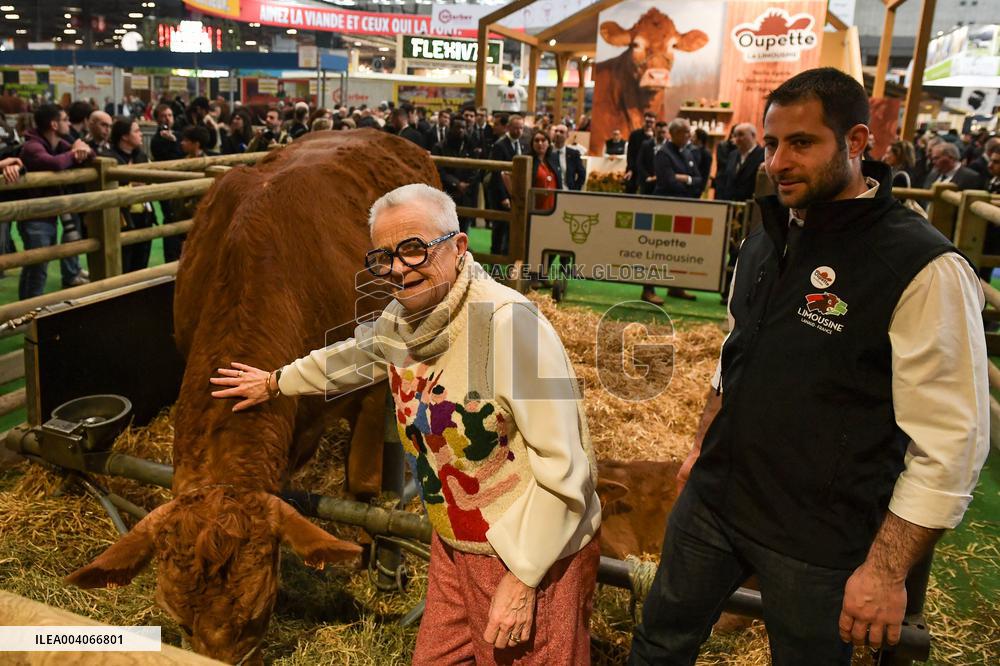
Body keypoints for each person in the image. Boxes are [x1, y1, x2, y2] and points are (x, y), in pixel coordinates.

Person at [630, 67, 988, 666]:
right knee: (658, 642)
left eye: (801, 143)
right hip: (716, 502)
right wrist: (700, 445)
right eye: (771, 144)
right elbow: (734, 354)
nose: (777, 162)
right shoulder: (766, 237)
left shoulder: (920, 266)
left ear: (854, 142)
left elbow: (952, 442)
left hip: (820, 536)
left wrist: (884, 570)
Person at [210, 183, 602, 665]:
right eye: (384, 256)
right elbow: (355, 357)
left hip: (528, 551)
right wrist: (275, 383)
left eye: (415, 249)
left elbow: (568, 471)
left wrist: (523, 578)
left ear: (459, 248)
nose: (398, 268)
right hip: (456, 540)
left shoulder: (508, 326)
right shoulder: (405, 322)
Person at [17, 103, 94, 298]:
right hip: (34, 215)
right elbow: (55, 164)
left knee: (37, 266)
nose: (69, 123)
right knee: (37, 267)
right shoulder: (32, 146)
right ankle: (30, 311)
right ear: (53, 124)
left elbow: (90, 155)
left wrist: (79, 148)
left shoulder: (58, 143)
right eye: (65, 120)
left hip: (47, 213)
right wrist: (75, 152)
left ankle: (27, 310)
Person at [651, 118, 702, 302]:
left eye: (689, 132)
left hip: (683, 209)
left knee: (680, 249)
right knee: (656, 250)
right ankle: (648, 289)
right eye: (685, 132)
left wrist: (686, 179)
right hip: (664, 209)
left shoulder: (687, 153)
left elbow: (699, 180)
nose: (689, 136)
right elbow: (668, 182)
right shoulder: (663, 153)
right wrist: (689, 183)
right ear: (674, 134)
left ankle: (676, 286)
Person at [103, 119, 153, 272]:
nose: (141, 134)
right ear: (124, 136)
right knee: (123, 263)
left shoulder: (141, 156)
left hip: (145, 215)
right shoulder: (109, 158)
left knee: (142, 263)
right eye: (136, 131)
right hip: (121, 218)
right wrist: (131, 187)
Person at [487, 114, 525, 255]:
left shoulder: (523, 143)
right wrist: (504, 197)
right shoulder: (500, 145)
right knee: (499, 227)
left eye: (521, 128)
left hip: (516, 193)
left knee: (513, 227)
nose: (519, 131)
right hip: (500, 193)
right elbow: (496, 174)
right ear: (508, 127)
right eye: (515, 128)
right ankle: (495, 256)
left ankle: (507, 253)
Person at [431, 119, 478, 233]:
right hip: (448, 191)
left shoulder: (470, 146)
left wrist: (468, 184)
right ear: (450, 128)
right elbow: (439, 170)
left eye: (463, 127)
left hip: (466, 193)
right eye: (457, 127)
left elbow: (476, 168)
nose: (461, 130)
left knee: (464, 224)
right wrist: (456, 184)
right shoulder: (440, 147)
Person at [716, 123, 765, 202]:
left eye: (741, 135)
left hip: (750, 206)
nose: (737, 139)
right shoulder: (733, 155)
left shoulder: (762, 156)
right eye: (735, 136)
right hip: (730, 205)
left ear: (753, 136)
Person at [625, 112, 657, 194]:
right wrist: (630, 169)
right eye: (647, 122)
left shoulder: (656, 136)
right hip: (635, 168)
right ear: (644, 121)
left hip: (650, 170)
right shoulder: (635, 135)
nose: (649, 124)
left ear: (654, 123)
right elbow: (630, 153)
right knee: (630, 190)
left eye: (651, 122)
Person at [549, 124, 586, 191]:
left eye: (561, 132)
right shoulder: (547, 152)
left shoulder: (574, 154)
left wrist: (574, 190)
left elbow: (582, 174)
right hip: (550, 192)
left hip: (567, 192)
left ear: (567, 136)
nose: (558, 134)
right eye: (556, 131)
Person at [637, 121, 667, 196]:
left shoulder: (670, 146)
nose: (661, 134)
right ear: (655, 131)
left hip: (664, 184)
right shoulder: (646, 144)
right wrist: (647, 177)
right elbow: (640, 163)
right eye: (659, 132)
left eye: (663, 132)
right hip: (647, 183)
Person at [531, 130, 558, 210]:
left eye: (543, 140)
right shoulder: (528, 160)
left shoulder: (553, 159)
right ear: (532, 144)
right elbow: (505, 174)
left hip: (553, 206)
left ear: (548, 143)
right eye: (536, 140)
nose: (540, 143)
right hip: (535, 206)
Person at [690, 128, 713, 192]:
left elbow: (706, 172)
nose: (691, 139)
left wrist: (702, 188)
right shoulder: (692, 150)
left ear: (699, 140)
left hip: (699, 186)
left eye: (694, 137)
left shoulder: (706, 153)